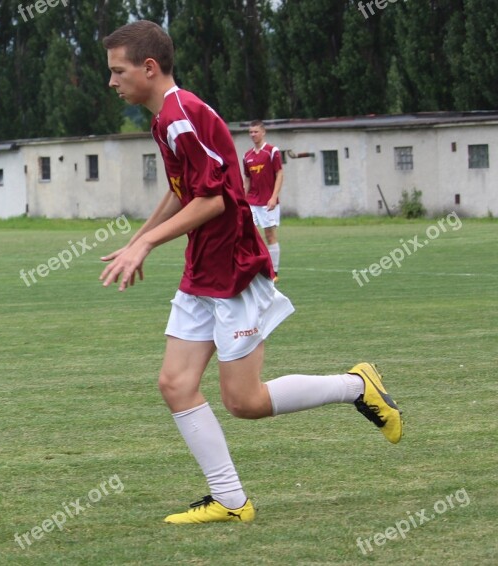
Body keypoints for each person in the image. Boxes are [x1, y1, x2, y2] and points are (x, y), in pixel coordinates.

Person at [99, 20, 403, 525]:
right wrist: (139, 240)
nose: (112, 82)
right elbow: (182, 190)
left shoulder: (183, 118)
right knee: (175, 384)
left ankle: (357, 385)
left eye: (118, 71)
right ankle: (231, 501)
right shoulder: (164, 120)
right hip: (203, 269)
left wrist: (150, 241)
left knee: (244, 401)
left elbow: (214, 201)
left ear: (149, 68)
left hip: (234, 270)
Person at [243, 121, 283, 281]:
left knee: (270, 235)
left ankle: (274, 272)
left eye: (256, 131)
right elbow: (247, 178)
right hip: (252, 201)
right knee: (248, 234)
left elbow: (279, 174)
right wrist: (242, 198)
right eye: (251, 132)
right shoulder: (247, 156)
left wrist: (273, 197)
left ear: (263, 132)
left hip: (268, 202)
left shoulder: (272, 151)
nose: (253, 134)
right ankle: (253, 268)